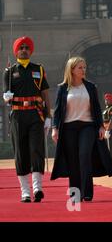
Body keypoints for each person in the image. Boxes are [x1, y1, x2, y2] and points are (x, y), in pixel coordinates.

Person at [50, 57, 112, 202]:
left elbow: (97, 108)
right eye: (80, 67)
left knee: (84, 155)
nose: (83, 70)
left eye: (84, 67)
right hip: (68, 128)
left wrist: (100, 126)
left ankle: (87, 192)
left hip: (87, 126)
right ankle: (75, 193)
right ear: (72, 70)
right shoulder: (63, 88)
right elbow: (57, 111)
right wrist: (54, 128)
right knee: (73, 160)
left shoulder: (91, 87)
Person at [3, 36, 52, 203]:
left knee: (36, 149)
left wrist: (48, 116)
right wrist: (6, 97)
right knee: (21, 153)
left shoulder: (39, 69)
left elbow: (45, 93)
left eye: (26, 47)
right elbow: (6, 95)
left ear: (31, 51)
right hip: (18, 115)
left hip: (35, 114)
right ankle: (25, 191)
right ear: (16, 51)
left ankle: (37, 188)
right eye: (21, 47)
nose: (24, 50)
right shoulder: (9, 72)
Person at [103, 93, 112, 157]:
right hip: (105, 127)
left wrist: (108, 130)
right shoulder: (105, 109)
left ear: (111, 101)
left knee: (110, 143)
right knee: (105, 143)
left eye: (107, 100)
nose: (106, 101)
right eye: (105, 100)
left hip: (110, 128)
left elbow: (111, 120)